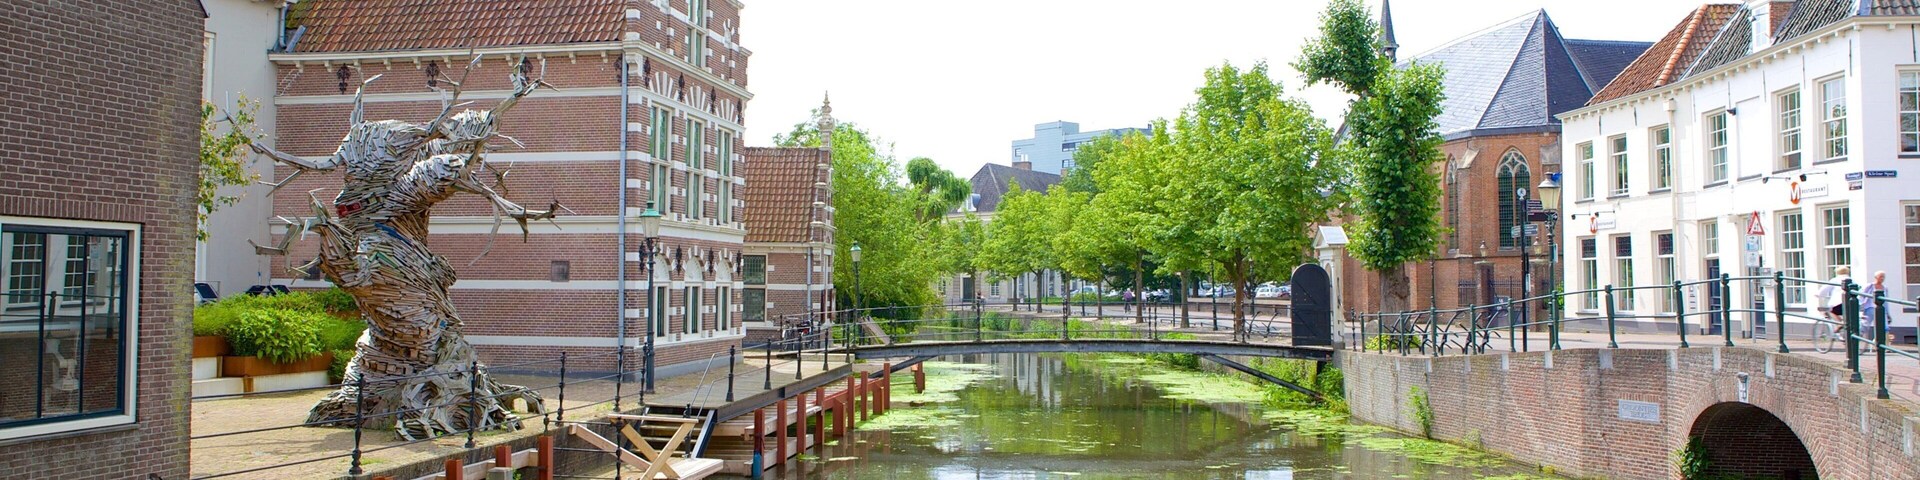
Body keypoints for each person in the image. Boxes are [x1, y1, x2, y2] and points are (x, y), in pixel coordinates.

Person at [1815, 266, 1854, 335]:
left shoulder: (1835, 280)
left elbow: (1825, 288)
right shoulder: (1852, 280)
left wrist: (1818, 294)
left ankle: (1840, 323)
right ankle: (1846, 335)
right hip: (1851, 302)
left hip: (1839, 302)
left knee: (1831, 311)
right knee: (1848, 315)